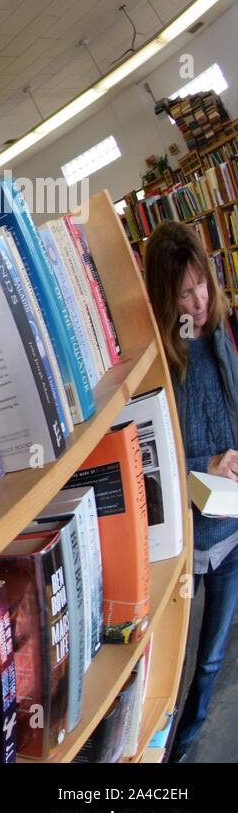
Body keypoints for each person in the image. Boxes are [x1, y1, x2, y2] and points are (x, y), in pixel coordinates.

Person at [144, 220, 238, 761]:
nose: (200, 300)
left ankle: (184, 753)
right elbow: (154, 453)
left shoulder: (221, 328)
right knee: (171, 662)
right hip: (188, 538)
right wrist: (207, 460)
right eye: (184, 292)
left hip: (232, 533)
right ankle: (154, 755)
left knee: (210, 659)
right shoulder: (163, 354)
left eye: (202, 283)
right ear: (165, 296)